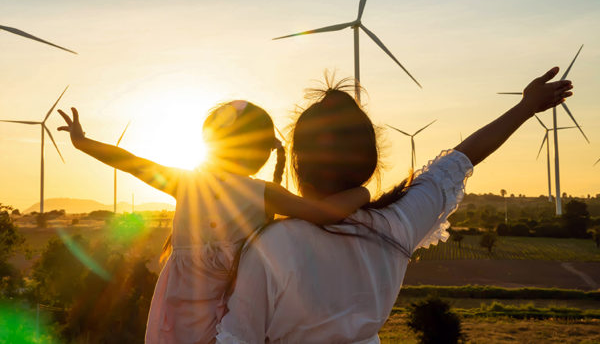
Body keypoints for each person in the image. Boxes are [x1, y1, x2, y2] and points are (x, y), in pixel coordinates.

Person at [216, 67, 573, 343]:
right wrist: (526, 107)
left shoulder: (271, 246)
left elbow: (236, 337)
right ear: (368, 162)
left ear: (298, 163)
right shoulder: (395, 225)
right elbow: (461, 160)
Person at [56, 100, 370, 344]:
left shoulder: (186, 182)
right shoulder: (263, 193)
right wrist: (362, 193)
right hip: (232, 314)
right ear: (260, 151)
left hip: (183, 311)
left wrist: (82, 142)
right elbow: (323, 213)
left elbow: (130, 163)